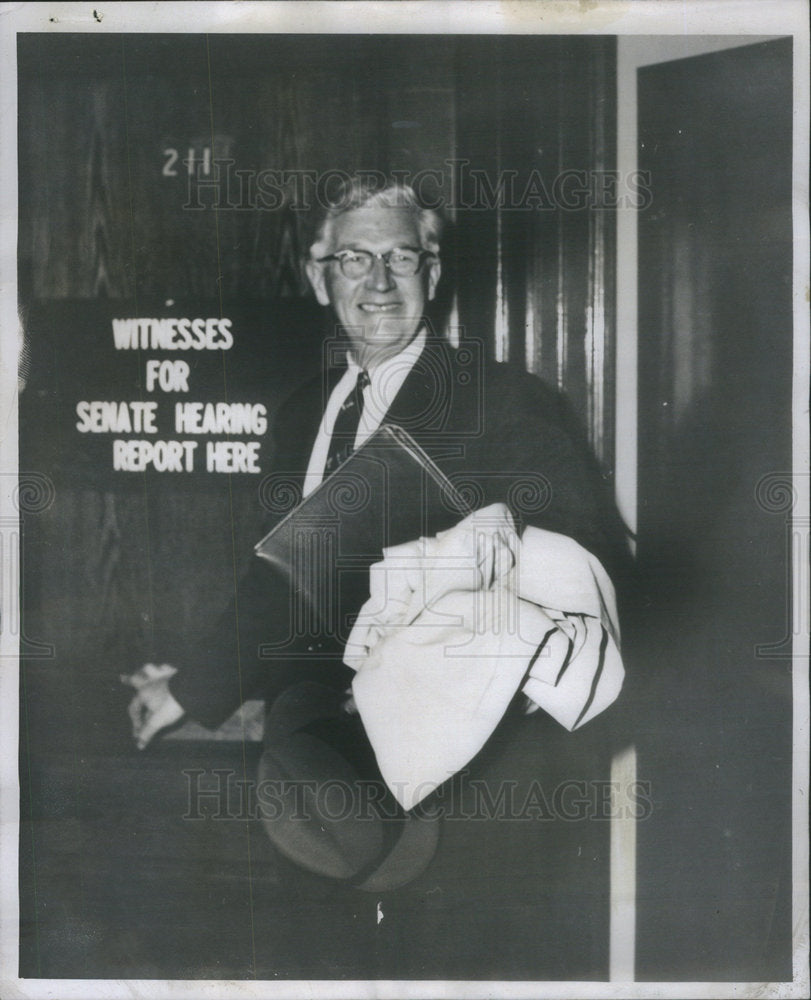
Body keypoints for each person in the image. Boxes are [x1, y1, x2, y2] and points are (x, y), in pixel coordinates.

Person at [122, 176, 632, 977]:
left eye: (401, 258)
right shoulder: (301, 414)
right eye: (355, 259)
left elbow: (584, 569)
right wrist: (190, 685)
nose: (379, 284)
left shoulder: (500, 403)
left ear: (434, 272)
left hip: (455, 778)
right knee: (320, 962)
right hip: (314, 772)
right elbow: (284, 581)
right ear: (317, 274)